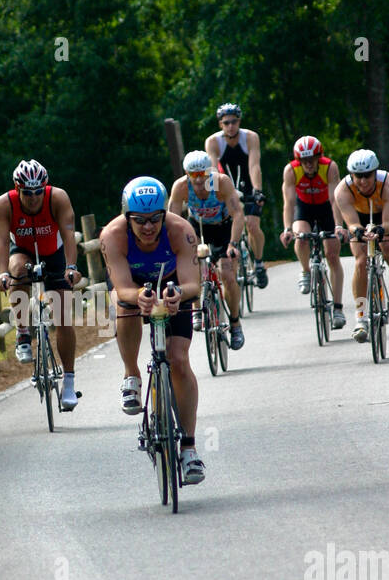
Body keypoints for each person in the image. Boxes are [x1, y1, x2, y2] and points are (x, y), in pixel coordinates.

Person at [100, 176, 205, 485]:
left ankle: (188, 448)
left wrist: (177, 296)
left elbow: (192, 284)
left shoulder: (181, 230)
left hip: (172, 284)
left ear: (164, 214)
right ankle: (131, 374)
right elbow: (121, 287)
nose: (148, 227)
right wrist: (140, 298)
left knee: (179, 361)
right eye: (140, 221)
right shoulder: (113, 235)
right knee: (125, 306)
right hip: (133, 287)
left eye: (155, 219)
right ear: (126, 217)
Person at [0, 159, 82, 408]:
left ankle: (70, 382)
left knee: (63, 316)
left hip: (54, 253)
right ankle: (23, 332)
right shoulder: (4, 204)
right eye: (27, 193)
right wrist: (2, 274)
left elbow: (68, 233)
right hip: (21, 250)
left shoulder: (58, 198)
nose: (33, 198)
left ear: (45, 187)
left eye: (38, 192)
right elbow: (0, 241)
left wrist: (71, 268)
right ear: (17, 188)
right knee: (17, 269)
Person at [168, 149, 246, 349]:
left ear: (208, 172)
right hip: (197, 226)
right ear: (187, 174)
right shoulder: (181, 187)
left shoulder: (221, 182)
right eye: (193, 175)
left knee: (228, 275)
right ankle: (196, 309)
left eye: (202, 174)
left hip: (223, 227)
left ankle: (235, 323)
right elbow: (172, 219)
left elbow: (238, 214)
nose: (199, 179)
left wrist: (233, 244)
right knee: (190, 268)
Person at [333, 149, 389, 342]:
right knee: (360, 261)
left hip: (384, 217)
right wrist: (357, 231)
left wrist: (382, 231)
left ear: (375, 172)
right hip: (358, 218)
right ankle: (361, 317)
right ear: (351, 175)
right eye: (358, 176)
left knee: (388, 246)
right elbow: (351, 222)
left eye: (367, 176)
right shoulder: (342, 190)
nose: (363, 181)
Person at [279, 136, 348, 329]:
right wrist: (286, 229)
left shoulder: (330, 167)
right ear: (298, 160)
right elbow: (289, 203)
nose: (308, 164)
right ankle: (306, 271)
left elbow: (335, 200)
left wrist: (338, 226)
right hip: (304, 208)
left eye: (312, 159)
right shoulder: (291, 170)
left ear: (319, 157)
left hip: (326, 207)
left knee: (332, 255)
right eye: (304, 160)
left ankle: (338, 308)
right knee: (301, 238)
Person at [205, 102, 269, 288]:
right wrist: (213, 194)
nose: (230, 126)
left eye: (234, 122)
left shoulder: (250, 137)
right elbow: (212, 169)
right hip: (225, 188)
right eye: (226, 123)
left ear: (239, 121)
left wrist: (257, 190)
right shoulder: (213, 142)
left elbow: (254, 165)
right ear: (220, 124)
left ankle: (258, 262)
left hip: (248, 186)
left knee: (252, 224)